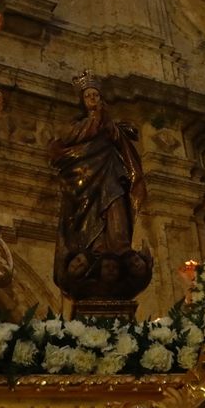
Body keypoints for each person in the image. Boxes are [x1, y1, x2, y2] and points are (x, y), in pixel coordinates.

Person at [48, 72, 150, 300]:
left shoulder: (111, 126)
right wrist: (98, 120)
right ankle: (96, 248)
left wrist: (109, 125)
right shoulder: (78, 126)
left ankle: (118, 246)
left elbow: (121, 142)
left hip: (111, 175)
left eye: (96, 94)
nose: (93, 98)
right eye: (89, 96)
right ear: (82, 101)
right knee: (90, 216)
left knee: (115, 205)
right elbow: (71, 138)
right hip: (85, 182)